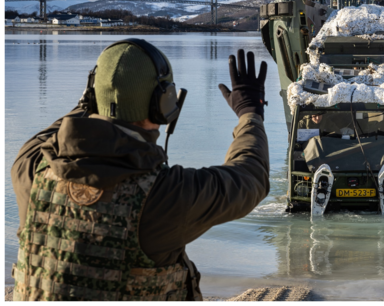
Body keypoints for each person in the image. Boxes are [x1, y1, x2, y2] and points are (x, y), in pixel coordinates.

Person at [9, 41, 269, 302]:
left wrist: (97, 97)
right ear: (163, 103)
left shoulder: (31, 167)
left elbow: (54, 133)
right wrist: (250, 114)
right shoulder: (165, 195)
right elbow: (249, 176)